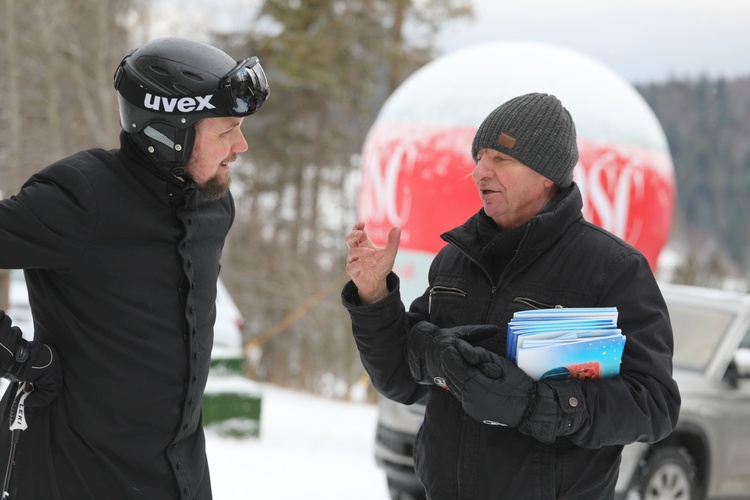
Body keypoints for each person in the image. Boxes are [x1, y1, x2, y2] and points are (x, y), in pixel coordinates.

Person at [342, 93, 681, 499]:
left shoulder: (613, 269)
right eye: (479, 157)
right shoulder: (454, 259)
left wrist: (534, 404)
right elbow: (402, 378)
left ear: (548, 175)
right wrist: (374, 295)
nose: (480, 171)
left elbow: (655, 405)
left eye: (501, 159)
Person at [0, 36, 269, 499]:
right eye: (225, 130)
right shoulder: (81, 199)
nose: (240, 145)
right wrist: (17, 356)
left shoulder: (212, 208)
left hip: (177, 475)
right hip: (68, 473)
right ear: (169, 131)